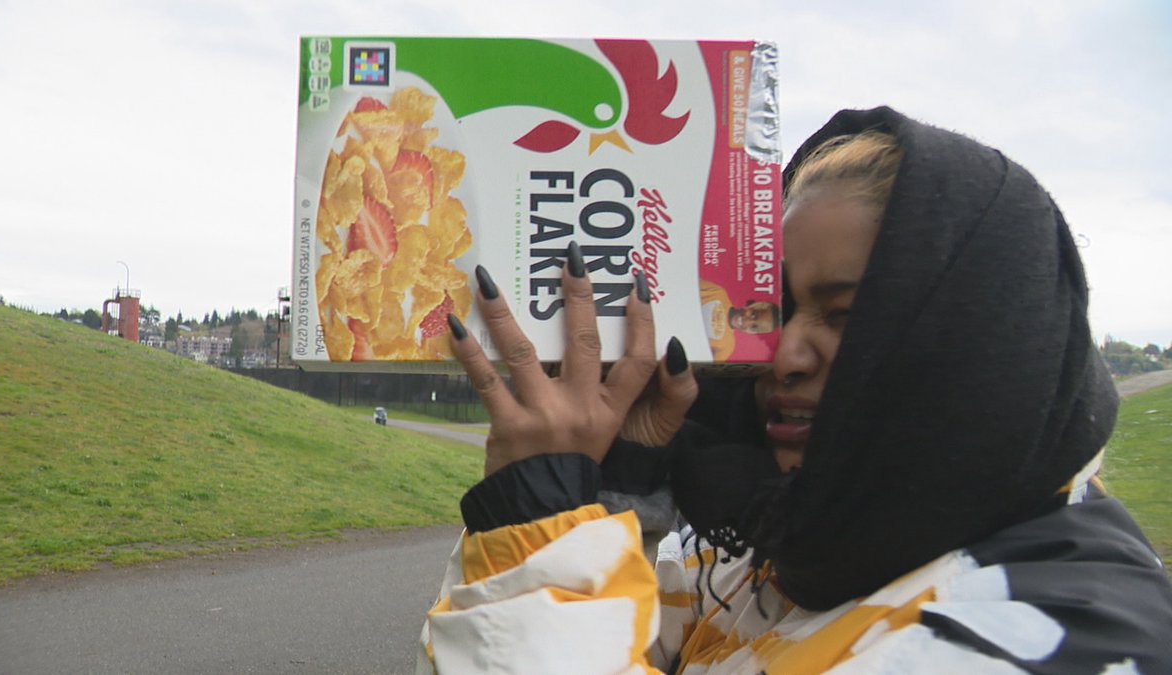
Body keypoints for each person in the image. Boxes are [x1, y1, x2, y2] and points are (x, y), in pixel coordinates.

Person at [416, 107, 1172, 673]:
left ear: (972, 339)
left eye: (846, 317)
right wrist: (613, 484)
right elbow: (626, 632)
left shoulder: (1046, 634)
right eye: (773, 312)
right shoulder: (798, 535)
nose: (784, 357)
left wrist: (545, 526)